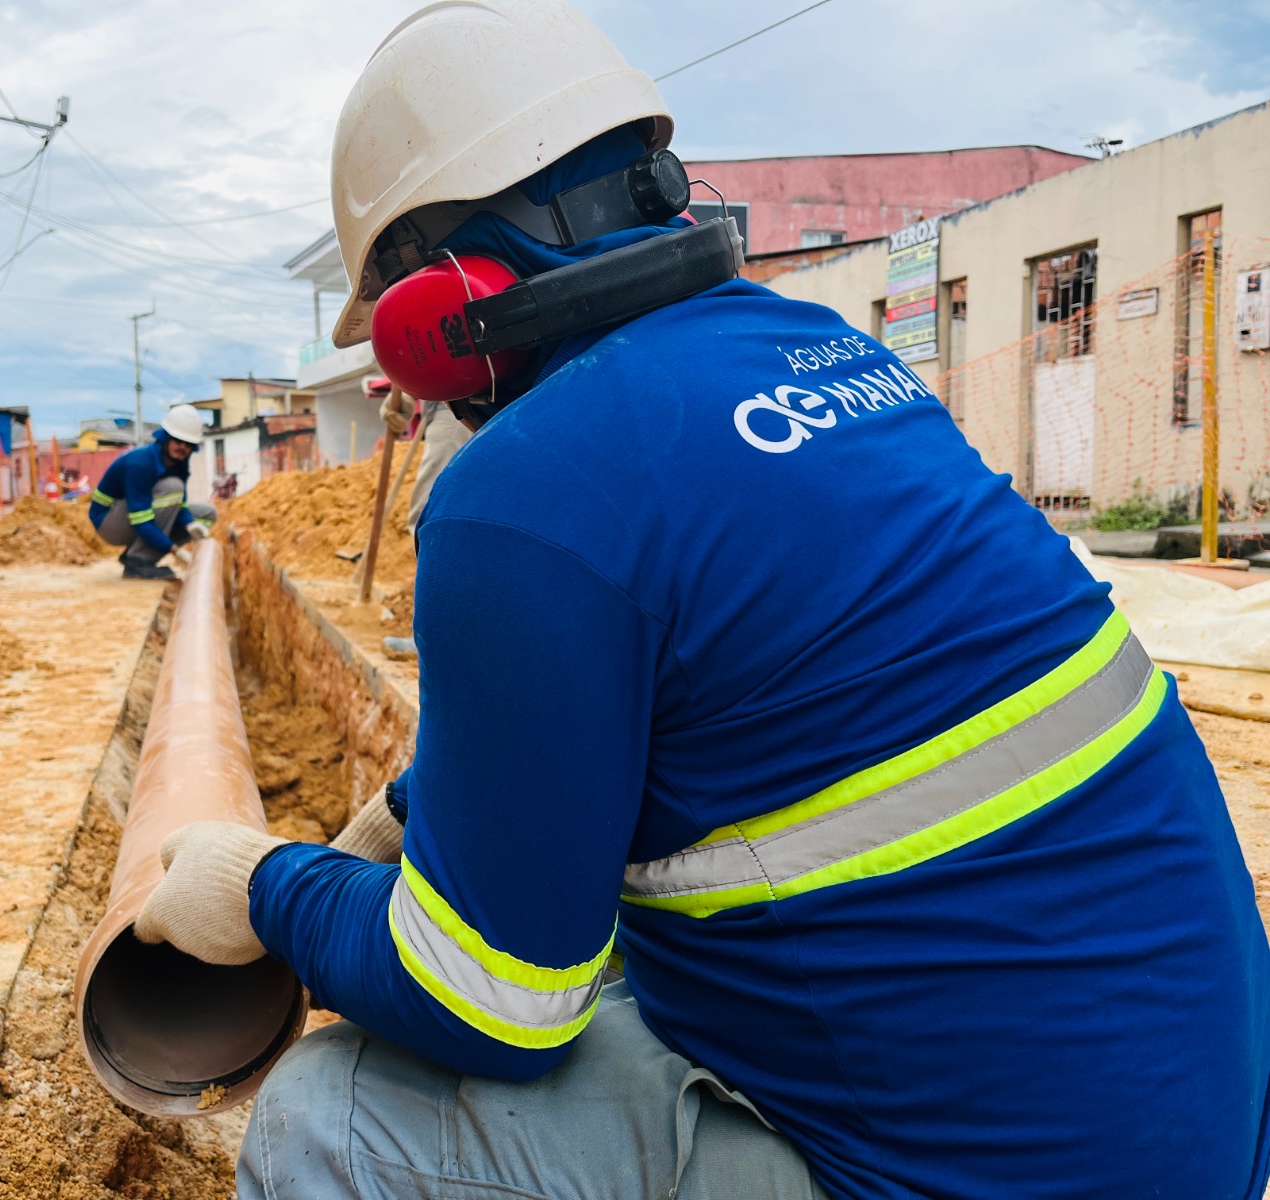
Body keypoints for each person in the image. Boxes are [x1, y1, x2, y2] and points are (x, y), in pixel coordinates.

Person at [134, 3, 1270, 1197]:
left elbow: (485, 1007)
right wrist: (407, 820)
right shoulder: (829, 353)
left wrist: (264, 889)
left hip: (977, 1176)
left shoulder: (518, 496)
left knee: (336, 1115)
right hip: (1176, 1126)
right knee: (610, 941)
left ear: (439, 309)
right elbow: (702, 692)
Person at [88, 405, 217, 580]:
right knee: (172, 487)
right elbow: (141, 519)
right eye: (178, 441)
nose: (182, 447)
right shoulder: (139, 464)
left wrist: (189, 524)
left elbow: (180, 506)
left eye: (188, 444)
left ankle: (135, 556)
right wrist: (175, 551)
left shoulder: (180, 464)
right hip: (109, 522)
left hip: (134, 517)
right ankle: (137, 561)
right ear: (166, 438)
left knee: (207, 514)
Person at [379, 390, 473, 534]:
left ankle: (423, 548)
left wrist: (407, 388)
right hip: (456, 404)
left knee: (431, 497)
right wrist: (407, 391)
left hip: (457, 404)